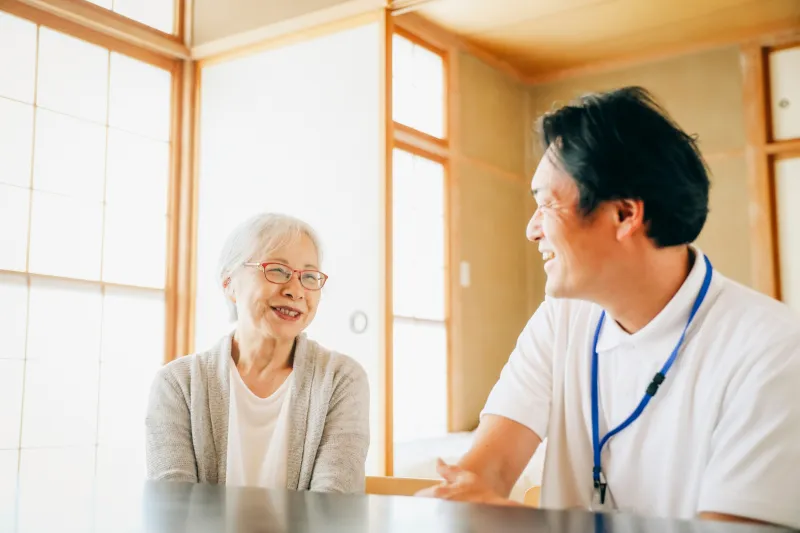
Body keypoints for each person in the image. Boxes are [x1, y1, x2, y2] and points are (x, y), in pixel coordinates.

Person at [417, 87, 800, 528]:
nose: (531, 229)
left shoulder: (774, 351)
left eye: (546, 204)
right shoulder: (561, 318)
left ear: (624, 214)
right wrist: (461, 492)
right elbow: (488, 469)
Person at [146, 213, 369, 493]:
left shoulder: (340, 379)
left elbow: (333, 504)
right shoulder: (178, 383)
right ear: (229, 283)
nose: (296, 291)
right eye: (277, 270)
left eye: (309, 276)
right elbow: (173, 505)